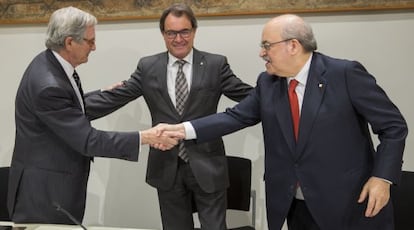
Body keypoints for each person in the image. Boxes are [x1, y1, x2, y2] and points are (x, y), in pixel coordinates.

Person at [158, 14, 408, 230]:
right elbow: (235, 116)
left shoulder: (344, 74)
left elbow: (393, 127)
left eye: (267, 45)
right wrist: (181, 130)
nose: (261, 53)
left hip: (349, 202)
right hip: (294, 203)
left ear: (293, 45)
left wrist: (382, 177)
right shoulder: (268, 83)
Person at [84, 3, 253, 229]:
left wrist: (277, 98)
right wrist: (68, 105)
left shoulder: (215, 64)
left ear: (194, 31)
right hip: (166, 167)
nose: (178, 39)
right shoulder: (148, 67)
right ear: (163, 34)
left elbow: (248, 97)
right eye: (171, 33)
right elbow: (115, 97)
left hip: (208, 164)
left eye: (184, 31)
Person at [8, 6, 181, 225]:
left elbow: (71, 110)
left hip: (54, 185)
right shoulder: (48, 85)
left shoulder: (49, 63)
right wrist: (145, 137)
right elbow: (88, 140)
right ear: (70, 42)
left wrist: (109, 94)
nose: (94, 47)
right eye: (90, 41)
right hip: (46, 195)